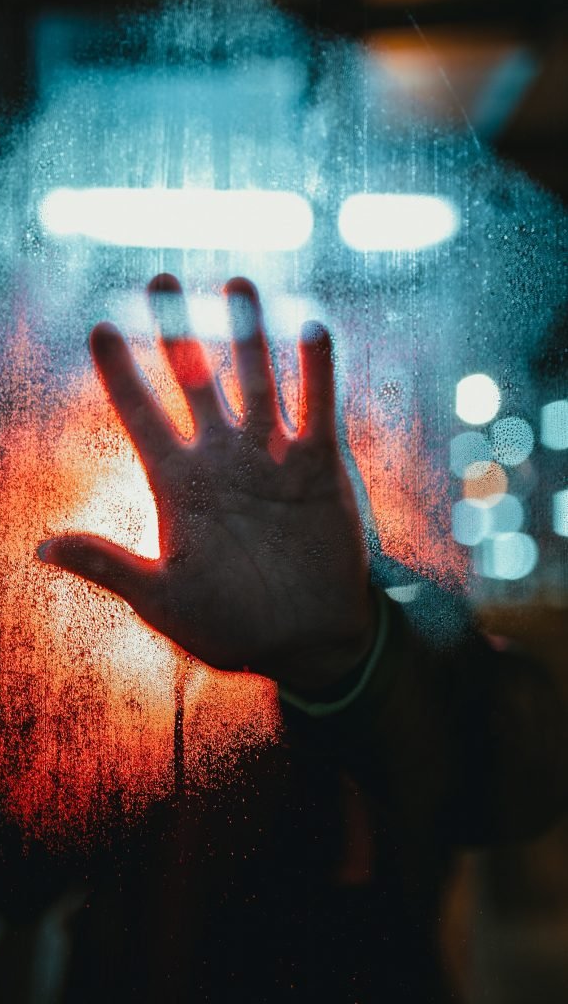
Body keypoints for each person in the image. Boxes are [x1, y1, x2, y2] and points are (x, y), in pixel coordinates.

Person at [37, 272, 567, 1002]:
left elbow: (519, 774)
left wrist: (343, 653)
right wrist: (61, 709)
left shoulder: (405, 615)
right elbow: (6, 874)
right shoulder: (94, 653)